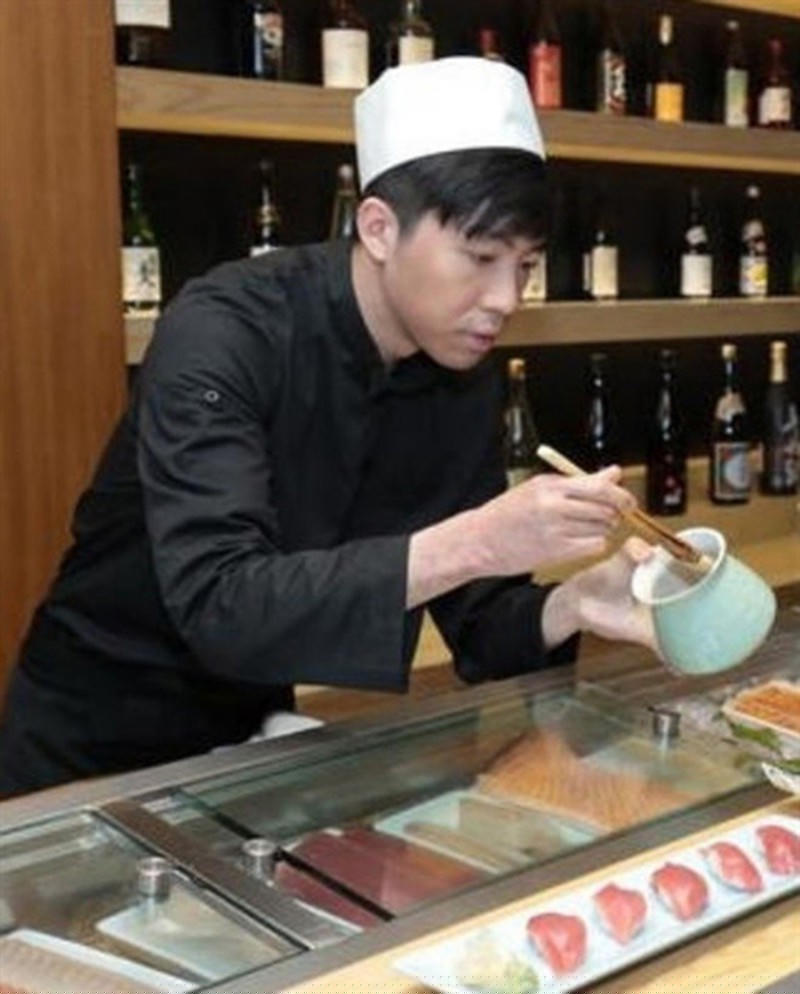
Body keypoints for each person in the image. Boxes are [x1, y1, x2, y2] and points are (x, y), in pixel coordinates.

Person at [0, 57, 655, 798]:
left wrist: (573, 603)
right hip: (90, 739)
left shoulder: (459, 366)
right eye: (479, 258)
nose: (505, 299)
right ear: (378, 228)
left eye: (525, 266)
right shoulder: (224, 330)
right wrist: (476, 539)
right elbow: (222, 600)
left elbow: (479, 621)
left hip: (247, 743)